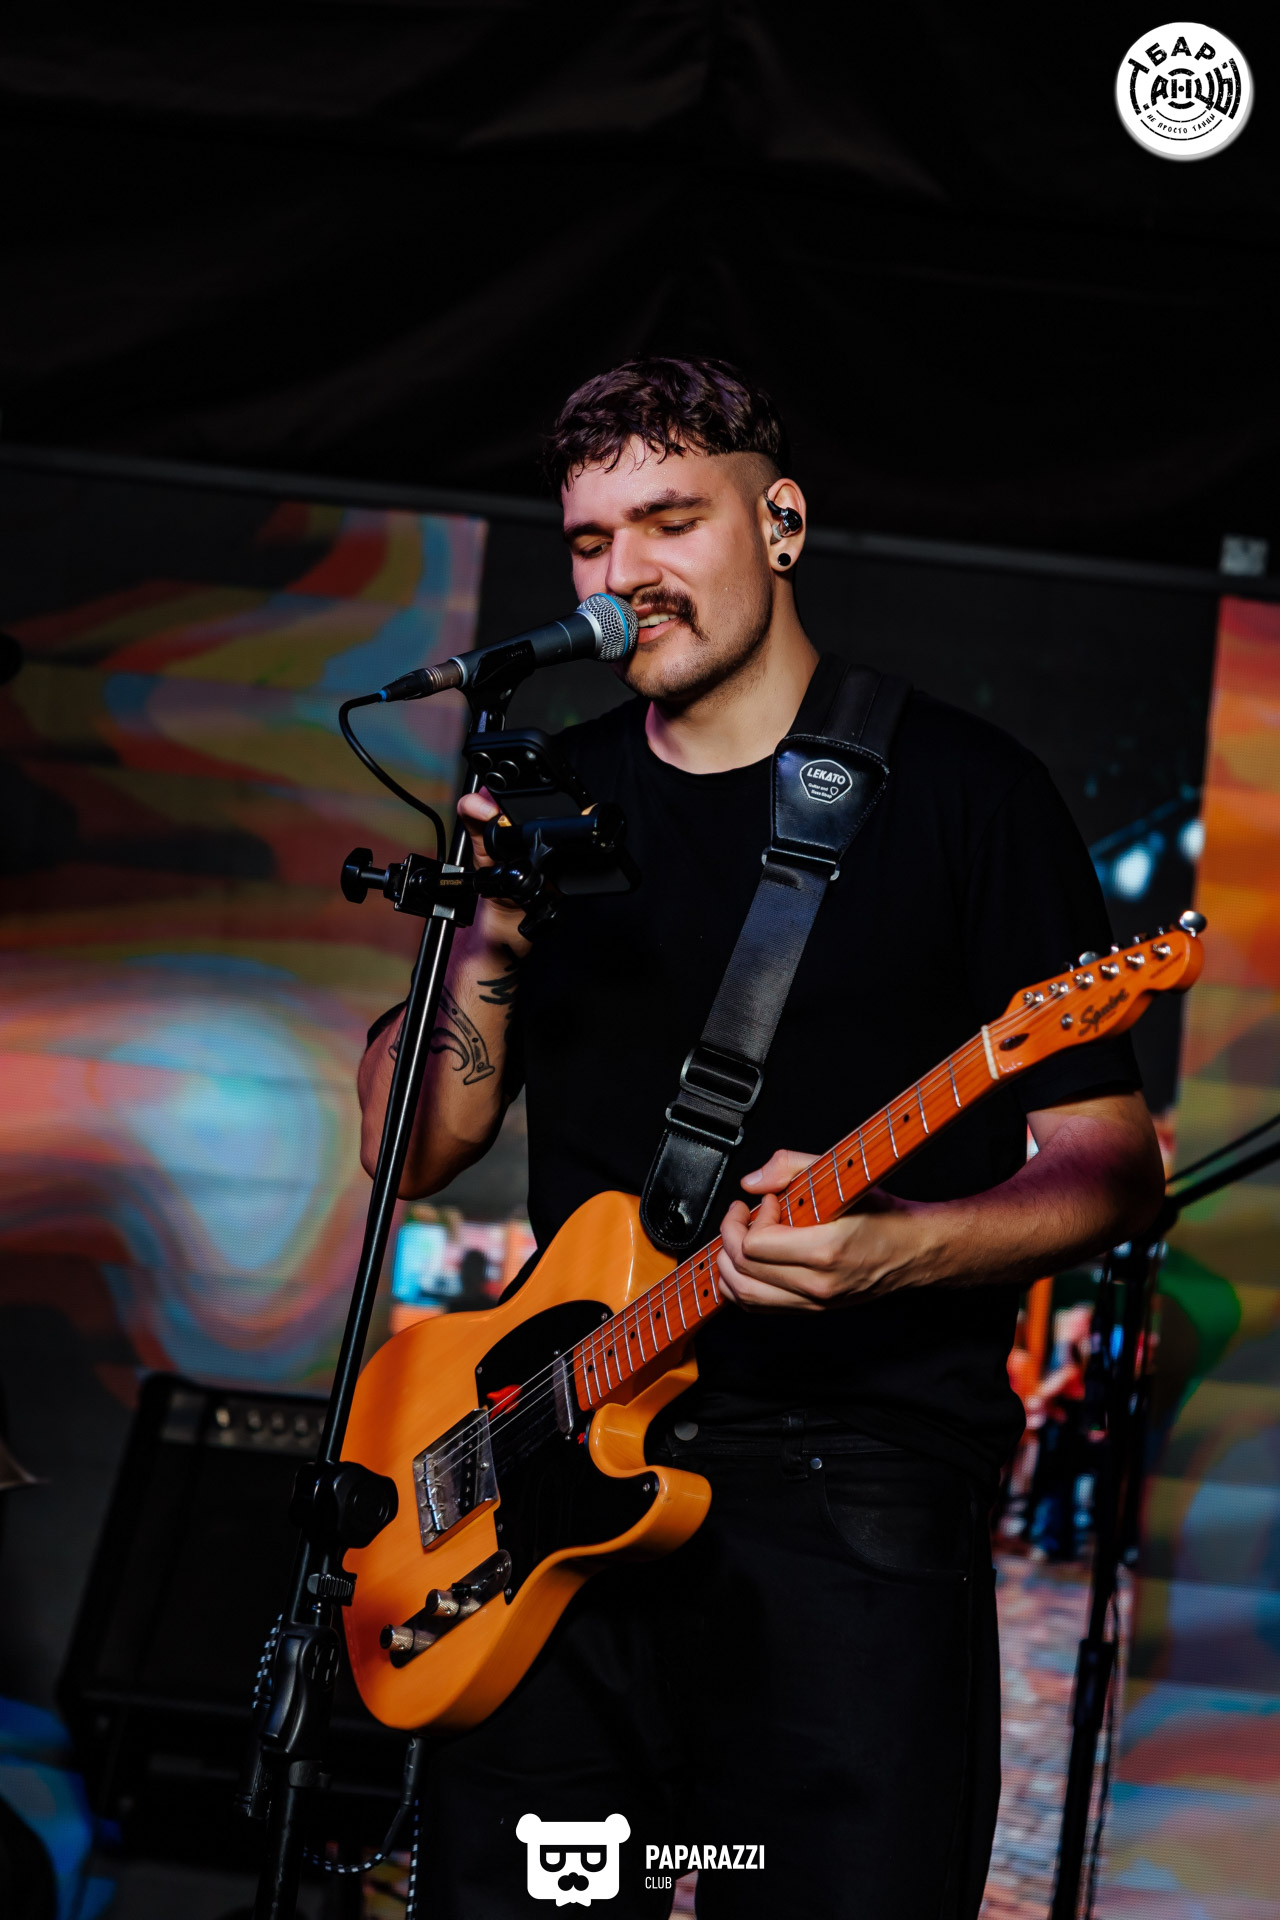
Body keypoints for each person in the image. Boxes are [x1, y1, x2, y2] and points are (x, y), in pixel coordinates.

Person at [357, 357, 1164, 1918]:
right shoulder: (552, 801)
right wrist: (489, 929)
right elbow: (417, 1153)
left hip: (848, 1492)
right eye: (591, 541)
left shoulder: (966, 794)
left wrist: (901, 1247)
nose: (626, 574)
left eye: (673, 521)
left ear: (780, 523)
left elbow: (1111, 1163)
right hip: (555, 1479)